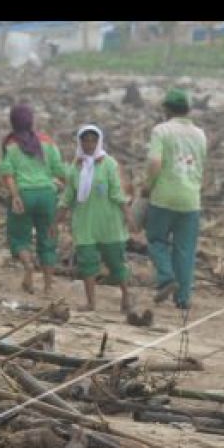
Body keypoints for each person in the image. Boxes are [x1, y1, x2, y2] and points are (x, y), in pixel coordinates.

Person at [143, 87, 207, 311]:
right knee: (185, 249)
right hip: (191, 199)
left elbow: (154, 163)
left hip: (164, 196)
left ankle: (166, 277)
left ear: (167, 109)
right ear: (188, 110)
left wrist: (147, 186)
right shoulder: (200, 134)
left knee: (156, 240)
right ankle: (183, 298)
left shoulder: (161, 131)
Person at [58, 125, 134, 313]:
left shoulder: (109, 164)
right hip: (84, 223)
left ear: (99, 141)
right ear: (80, 142)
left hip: (109, 223)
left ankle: (126, 297)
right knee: (87, 263)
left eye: (93, 140)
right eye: (85, 140)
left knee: (116, 262)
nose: (89, 144)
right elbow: (68, 196)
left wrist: (128, 215)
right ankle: (91, 302)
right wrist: (56, 220)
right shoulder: (76, 167)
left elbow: (116, 192)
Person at [0, 103, 67, 295]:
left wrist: (15, 196)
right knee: (48, 239)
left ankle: (28, 266)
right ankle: (48, 286)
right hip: (47, 195)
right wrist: (73, 188)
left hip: (25, 194)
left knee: (19, 237)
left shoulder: (10, 144)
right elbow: (59, 170)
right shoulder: (47, 142)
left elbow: (7, 173)